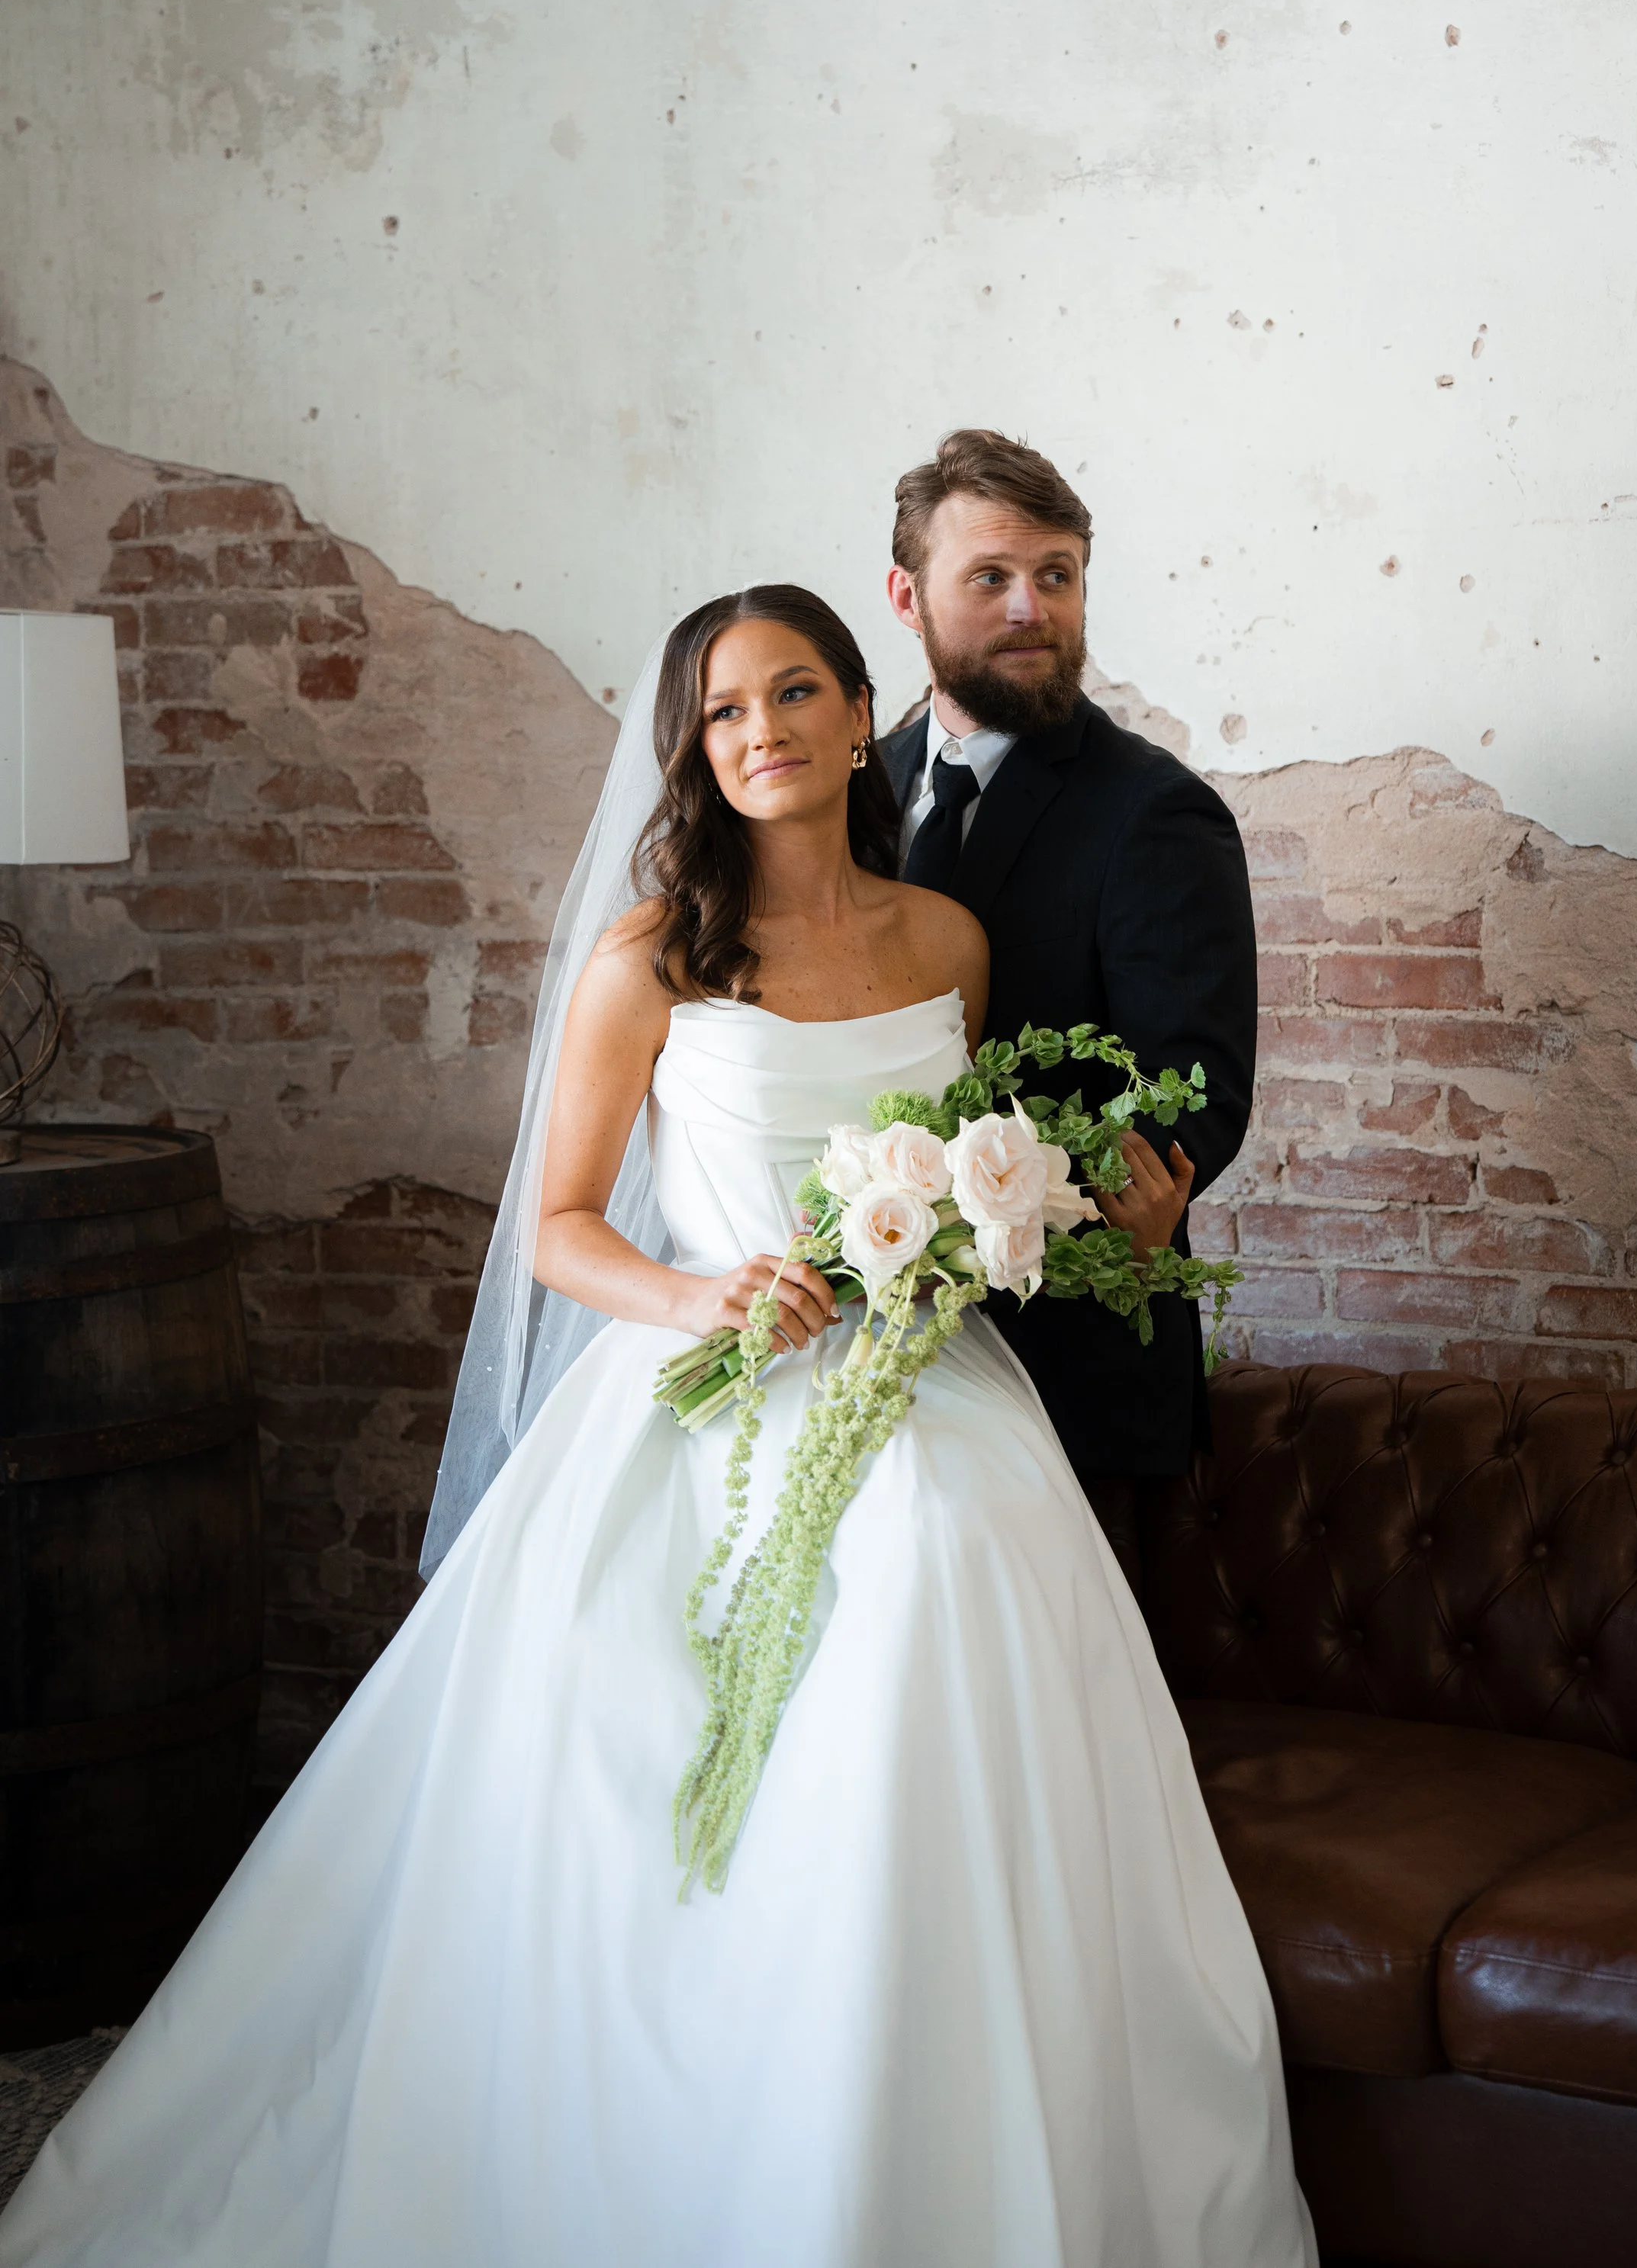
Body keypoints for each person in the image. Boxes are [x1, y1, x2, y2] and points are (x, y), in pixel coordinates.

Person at [2, 583, 1315, 2268]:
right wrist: (709, 1301)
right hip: (706, 1390)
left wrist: (1029, 1217)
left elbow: (958, 1171)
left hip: (922, 1382)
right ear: (692, 750)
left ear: (862, 713)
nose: (757, 732)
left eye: (789, 694)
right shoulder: (651, 959)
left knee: (946, 1555)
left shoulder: (947, 946)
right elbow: (556, 1227)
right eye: (719, 713)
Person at [883, 432, 1258, 1588]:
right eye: (991, 577)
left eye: (1058, 573)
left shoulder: (1156, 813)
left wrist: (998, 1213)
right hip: (872, 1368)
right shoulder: (853, 790)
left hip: (1070, 1366)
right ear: (907, 595)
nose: (1032, 606)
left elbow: (1193, 1090)